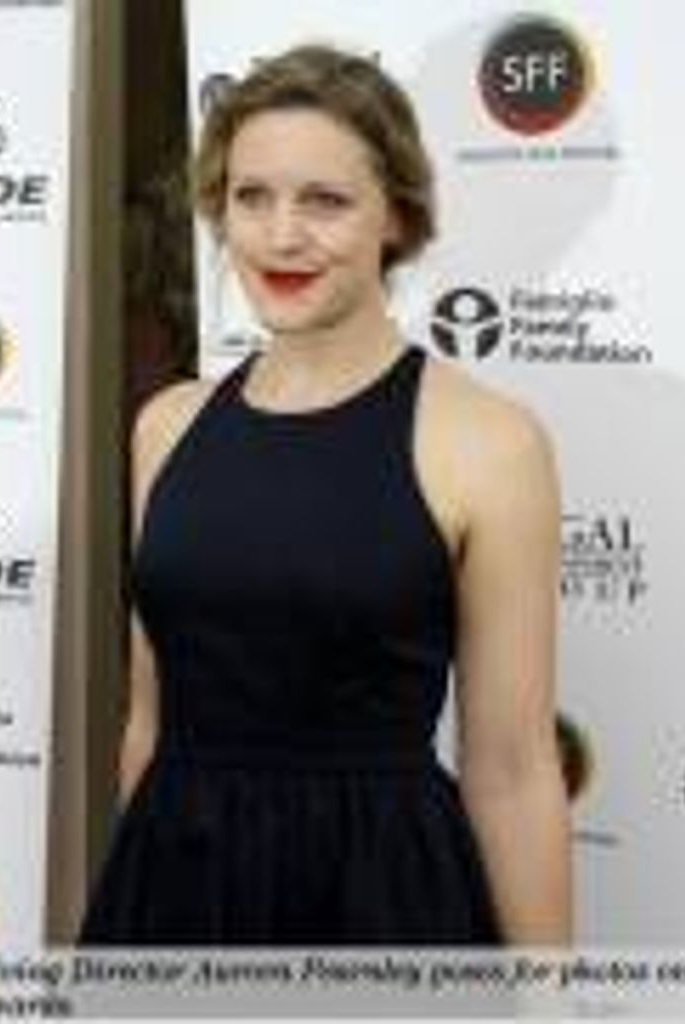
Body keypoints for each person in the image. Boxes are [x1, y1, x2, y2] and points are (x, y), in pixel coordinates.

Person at [80, 43, 571, 946]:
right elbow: (147, 719)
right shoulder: (165, 427)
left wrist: (549, 997)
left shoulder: (490, 443)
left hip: (380, 898)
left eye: (325, 201)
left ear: (398, 215)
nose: (281, 236)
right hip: (176, 885)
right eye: (251, 197)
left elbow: (511, 768)